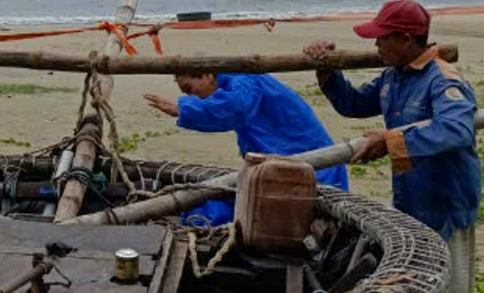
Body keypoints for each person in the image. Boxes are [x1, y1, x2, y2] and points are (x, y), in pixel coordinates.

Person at [303, 0, 481, 293]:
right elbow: (354, 104)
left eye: (384, 38)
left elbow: (455, 130)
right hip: (412, 197)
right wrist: (327, 72)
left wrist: (390, 141)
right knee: (413, 290)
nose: (378, 45)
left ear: (406, 38)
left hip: (446, 199)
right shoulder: (393, 78)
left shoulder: (443, 80)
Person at [143, 72, 349, 226]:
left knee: (214, 211)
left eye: (189, 89)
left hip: (317, 172)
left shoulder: (244, 81)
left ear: (207, 76)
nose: (192, 97)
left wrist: (183, 109)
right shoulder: (237, 84)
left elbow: (236, 108)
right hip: (294, 169)